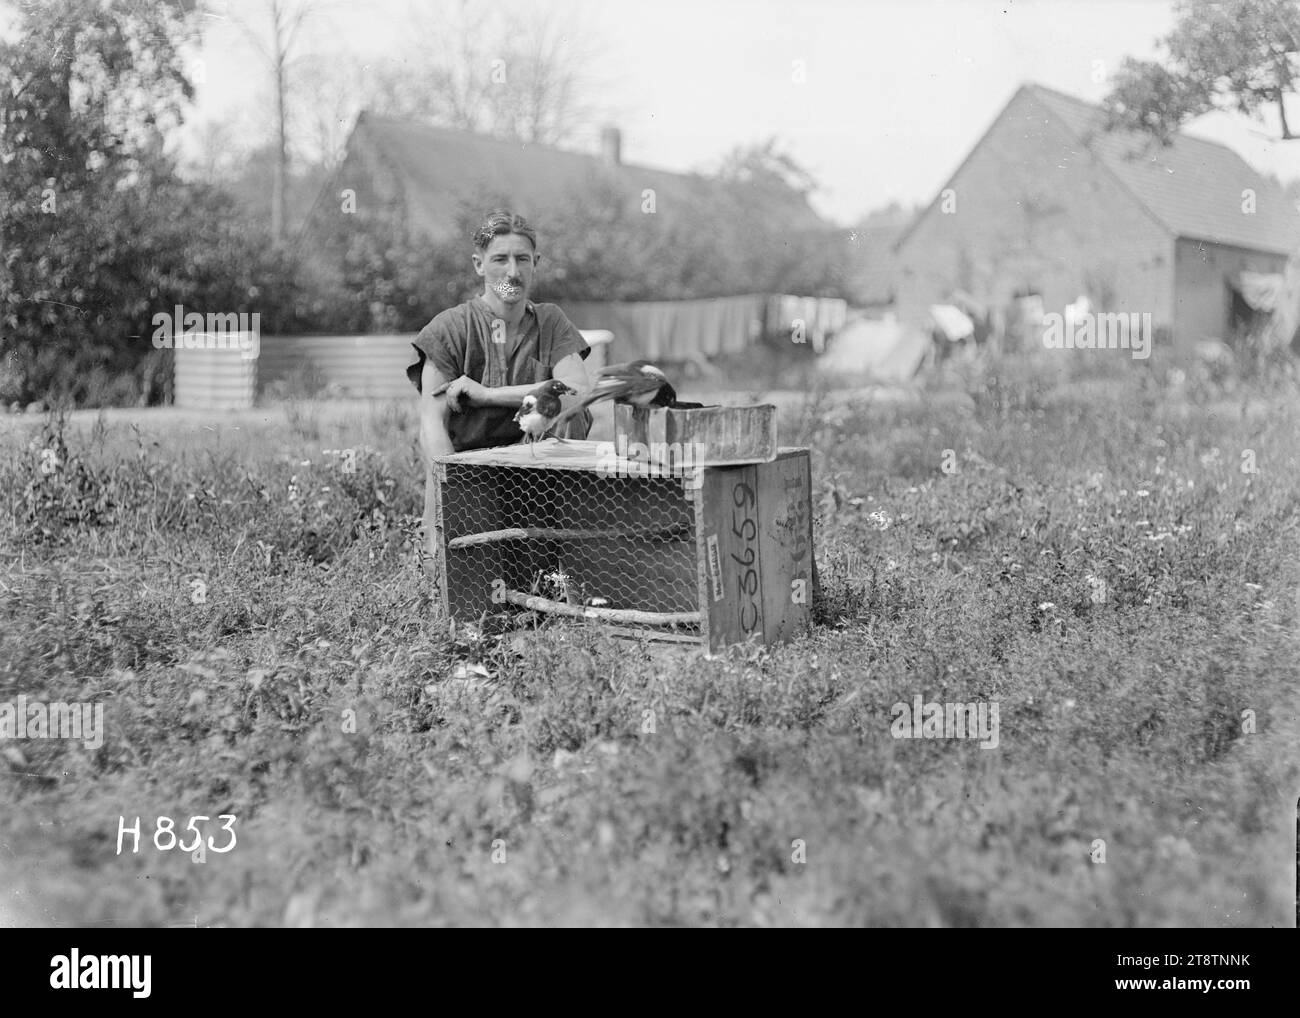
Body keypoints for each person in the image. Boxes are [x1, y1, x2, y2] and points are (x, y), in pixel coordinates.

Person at [406, 210, 593, 574]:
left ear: (535, 263)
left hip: (537, 471)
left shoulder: (551, 322)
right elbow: (431, 422)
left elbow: (577, 394)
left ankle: (563, 561)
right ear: (479, 265)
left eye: (522, 259)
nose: (512, 272)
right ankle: (441, 559)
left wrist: (490, 396)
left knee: (574, 416)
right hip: (467, 469)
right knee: (453, 578)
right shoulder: (450, 328)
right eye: (500, 260)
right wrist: (456, 487)